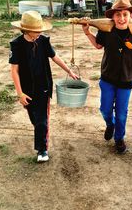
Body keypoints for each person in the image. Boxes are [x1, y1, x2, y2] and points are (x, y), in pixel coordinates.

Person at [81, 0, 132, 154]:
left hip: (126, 79)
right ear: (112, 17)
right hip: (107, 79)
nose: (121, 18)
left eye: (125, 14)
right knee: (105, 109)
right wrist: (87, 32)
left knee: (122, 113)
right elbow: (98, 45)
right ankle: (110, 125)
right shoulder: (106, 31)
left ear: (131, 16)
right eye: (118, 15)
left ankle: (119, 138)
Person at [9, 11, 79, 162]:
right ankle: (41, 134)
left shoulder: (44, 41)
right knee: (34, 119)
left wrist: (69, 71)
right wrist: (20, 93)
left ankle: (42, 150)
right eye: (37, 30)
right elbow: (14, 70)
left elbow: (55, 57)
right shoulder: (17, 45)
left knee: (41, 120)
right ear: (26, 30)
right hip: (27, 89)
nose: (40, 32)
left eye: (41, 29)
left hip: (43, 87)